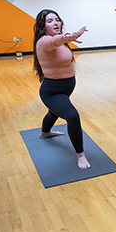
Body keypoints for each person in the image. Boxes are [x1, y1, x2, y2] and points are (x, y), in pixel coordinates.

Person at [32, 9, 90, 169]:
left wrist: (67, 38)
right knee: (72, 116)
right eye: (50, 21)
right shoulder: (43, 41)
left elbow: (58, 41)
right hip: (52, 91)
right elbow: (53, 42)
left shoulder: (60, 40)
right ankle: (80, 155)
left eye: (57, 20)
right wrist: (66, 37)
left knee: (54, 112)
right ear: (42, 26)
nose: (55, 23)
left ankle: (45, 133)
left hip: (66, 88)